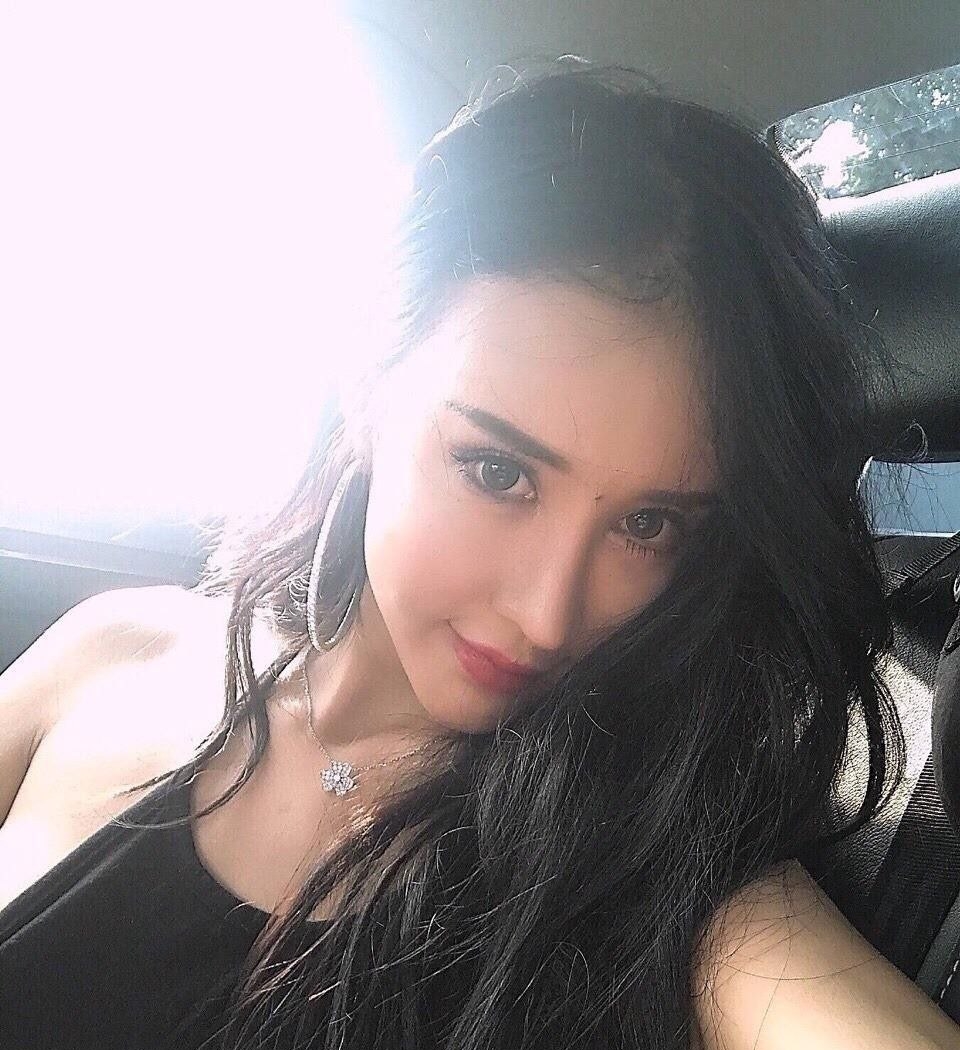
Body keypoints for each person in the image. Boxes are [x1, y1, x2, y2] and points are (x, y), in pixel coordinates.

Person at [1, 61, 958, 1050]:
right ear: (370, 385)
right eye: (499, 473)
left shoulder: (656, 850)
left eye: (649, 525)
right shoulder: (111, 653)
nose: (549, 616)